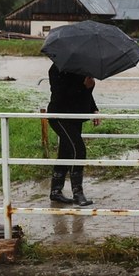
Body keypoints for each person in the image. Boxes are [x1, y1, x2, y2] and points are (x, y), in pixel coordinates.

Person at [47, 63, 101, 206]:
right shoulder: (56, 70)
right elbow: (60, 95)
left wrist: (94, 109)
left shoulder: (82, 68)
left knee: (65, 152)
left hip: (75, 116)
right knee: (79, 149)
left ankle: (55, 191)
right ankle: (78, 193)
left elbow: (85, 94)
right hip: (59, 116)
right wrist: (84, 87)